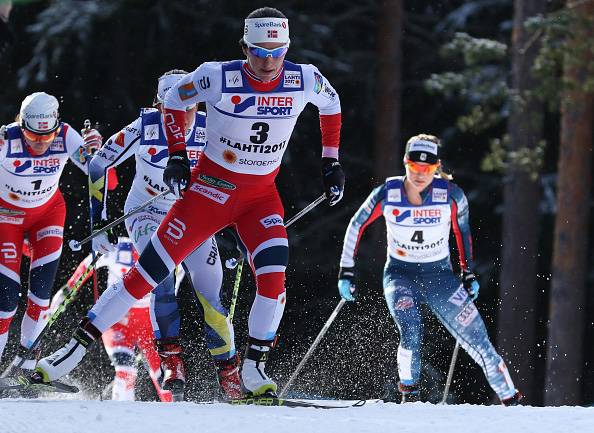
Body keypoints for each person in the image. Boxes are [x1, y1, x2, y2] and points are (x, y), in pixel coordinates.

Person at [35, 6, 345, 398]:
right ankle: (72, 352)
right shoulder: (216, 75)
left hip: (260, 200)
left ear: (286, 47)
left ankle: (252, 369)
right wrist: (178, 154)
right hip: (207, 195)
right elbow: (176, 101)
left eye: (277, 52)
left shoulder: (304, 79)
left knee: (273, 274)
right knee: (146, 276)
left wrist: (331, 161)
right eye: (258, 51)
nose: (268, 62)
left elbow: (332, 106)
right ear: (244, 46)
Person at [87, 69, 241, 401]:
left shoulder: (212, 126)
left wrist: (233, 230)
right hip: (147, 211)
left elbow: (237, 175)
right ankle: (171, 361)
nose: (181, 117)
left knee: (210, 293)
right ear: (158, 106)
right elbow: (98, 164)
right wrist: (97, 222)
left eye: (189, 107)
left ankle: (231, 376)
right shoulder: (143, 127)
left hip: (193, 215)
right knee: (162, 278)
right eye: (170, 108)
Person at [336, 134, 521, 406]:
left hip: (441, 278)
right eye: (414, 166)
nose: (419, 174)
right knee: (411, 332)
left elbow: (462, 232)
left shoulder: (452, 196)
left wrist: (467, 273)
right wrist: (346, 271)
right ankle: (409, 397)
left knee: (480, 343)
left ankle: (513, 403)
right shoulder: (388, 193)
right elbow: (356, 225)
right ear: (405, 162)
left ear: (437, 167)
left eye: (427, 168)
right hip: (400, 276)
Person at [0, 92, 100, 377]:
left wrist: (98, 154)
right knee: (6, 301)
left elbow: (107, 181)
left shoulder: (66, 136)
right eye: (33, 137)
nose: (41, 143)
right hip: (8, 218)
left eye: (48, 136)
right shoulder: (7, 139)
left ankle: (26, 368)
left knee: (40, 295)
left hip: (48, 214)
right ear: (21, 125)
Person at [51, 237, 172, 402]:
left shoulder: (166, 252)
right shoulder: (120, 249)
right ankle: (121, 419)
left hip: (147, 324)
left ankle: (174, 418)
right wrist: (68, 290)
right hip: (117, 321)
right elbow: (89, 263)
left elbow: (172, 289)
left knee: (163, 374)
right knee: (126, 372)